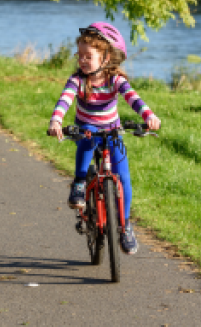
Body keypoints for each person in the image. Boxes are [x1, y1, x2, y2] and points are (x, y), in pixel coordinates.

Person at [48, 22, 161, 255]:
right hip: (88, 130)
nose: (82, 60)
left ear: (106, 58)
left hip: (112, 130)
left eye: (88, 56)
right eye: (79, 55)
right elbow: (65, 101)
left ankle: (125, 226)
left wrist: (149, 115)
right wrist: (56, 120)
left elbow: (133, 99)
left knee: (124, 178)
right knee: (87, 136)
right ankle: (80, 182)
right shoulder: (77, 81)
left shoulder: (116, 80)